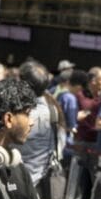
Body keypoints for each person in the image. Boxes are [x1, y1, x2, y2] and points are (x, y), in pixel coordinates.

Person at [13, 61, 64, 189]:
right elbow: (61, 142)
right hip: (41, 184)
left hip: (16, 184)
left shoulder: (20, 114)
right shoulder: (52, 111)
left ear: (23, 84)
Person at [73, 67, 101, 199]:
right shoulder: (80, 95)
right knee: (76, 175)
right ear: (94, 81)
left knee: (96, 176)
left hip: (97, 142)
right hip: (81, 140)